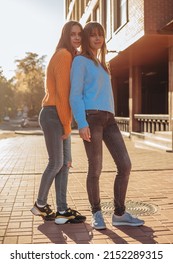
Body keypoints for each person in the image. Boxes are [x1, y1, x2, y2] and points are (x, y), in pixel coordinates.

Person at [70, 22, 144, 230]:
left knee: (125, 165)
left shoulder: (103, 64)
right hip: (91, 118)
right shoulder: (80, 61)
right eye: (92, 35)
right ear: (86, 39)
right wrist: (81, 123)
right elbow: (75, 95)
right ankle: (97, 213)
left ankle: (119, 214)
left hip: (109, 120)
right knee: (96, 168)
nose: (97, 39)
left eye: (100, 35)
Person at [31, 21, 86, 224]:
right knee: (56, 163)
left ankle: (62, 210)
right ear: (65, 36)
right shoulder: (63, 55)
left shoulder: (70, 56)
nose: (77, 38)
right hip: (54, 114)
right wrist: (66, 125)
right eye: (73, 34)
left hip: (59, 115)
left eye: (79, 34)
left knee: (65, 164)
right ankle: (40, 204)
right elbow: (63, 94)